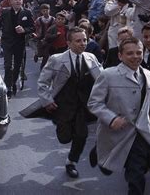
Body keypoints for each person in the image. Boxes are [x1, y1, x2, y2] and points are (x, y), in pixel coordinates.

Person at [87, 37, 150, 194]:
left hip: (140, 133)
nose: (135, 56)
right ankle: (99, 151)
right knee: (107, 168)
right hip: (115, 133)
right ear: (120, 56)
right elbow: (94, 103)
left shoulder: (148, 75)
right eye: (130, 53)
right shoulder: (108, 75)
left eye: (139, 52)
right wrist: (111, 119)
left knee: (137, 174)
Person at [37, 27, 103, 178]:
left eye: (85, 40)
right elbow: (43, 82)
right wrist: (47, 100)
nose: (82, 44)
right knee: (65, 138)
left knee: (82, 135)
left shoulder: (91, 58)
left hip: (82, 105)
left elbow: (102, 78)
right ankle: (65, 127)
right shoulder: (57, 59)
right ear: (68, 43)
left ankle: (71, 162)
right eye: (78, 41)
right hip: (63, 105)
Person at [0, 0, 35, 95]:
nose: (18, 1)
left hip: (20, 42)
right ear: (11, 1)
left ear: (22, 1)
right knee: (8, 65)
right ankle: (7, 87)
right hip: (7, 41)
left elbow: (33, 27)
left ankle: (13, 83)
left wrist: (24, 30)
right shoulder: (5, 12)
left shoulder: (27, 12)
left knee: (17, 65)